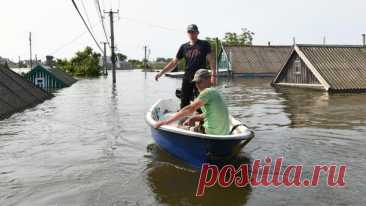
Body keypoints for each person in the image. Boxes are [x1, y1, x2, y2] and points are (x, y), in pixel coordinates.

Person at [155, 24, 216, 109]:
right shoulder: (183, 47)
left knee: (201, 100)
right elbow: (174, 62)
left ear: (197, 33)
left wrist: (213, 75)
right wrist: (161, 73)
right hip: (187, 77)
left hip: (201, 77)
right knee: (184, 101)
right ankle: (184, 119)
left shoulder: (204, 44)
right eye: (189, 32)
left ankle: (202, 119)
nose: (191, 34)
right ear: (187, 33)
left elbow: (211, 60)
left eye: (193, 32)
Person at [155, 69, 230, 135]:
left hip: (210, 132)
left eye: (200, 82)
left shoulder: (207, 92)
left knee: (178, 127)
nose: (197, 85)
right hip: (223, 134)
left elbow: (189, 109)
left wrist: (166, 122)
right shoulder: (216, 92)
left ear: (209, 79)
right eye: (196, 82)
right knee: (192, 121)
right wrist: (194, 118)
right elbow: (209, 114)